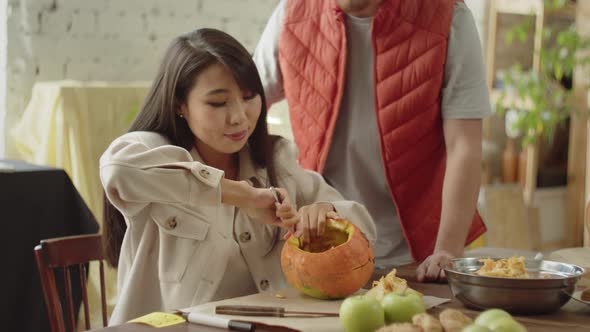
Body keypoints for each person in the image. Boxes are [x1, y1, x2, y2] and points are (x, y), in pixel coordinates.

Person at [100, 28, 376, 325]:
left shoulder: (275, 160)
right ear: (180, 104)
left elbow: (366, 229)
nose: (239, 117)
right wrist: (243, 195)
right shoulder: (154, 152)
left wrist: (327, 214)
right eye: (218, 103)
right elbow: (118, 169)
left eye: (248, 97)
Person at [253, 0, 490, 281]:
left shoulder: (449, 17)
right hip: (322, 247)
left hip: (420, 255)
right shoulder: (292, 14)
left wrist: (447, 250)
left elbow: (464, 146)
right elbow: (247, 107)